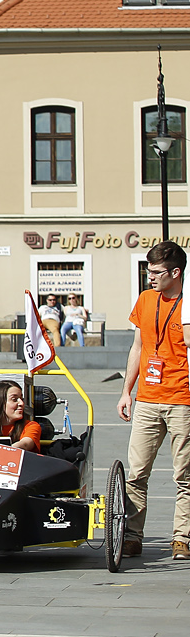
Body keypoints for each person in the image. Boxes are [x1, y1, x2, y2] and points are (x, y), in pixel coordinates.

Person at [117, 240, 190, 560]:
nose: (150, 277)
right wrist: (126, 391)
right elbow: (138, 347)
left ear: (176, 273)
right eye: (149, 271)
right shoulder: (146, 299)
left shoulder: (188, 304)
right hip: (148, 397)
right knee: (136, 473)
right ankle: (133, 536)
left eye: (157, 272)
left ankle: (182, 538)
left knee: (184, 476)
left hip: (182, 399)